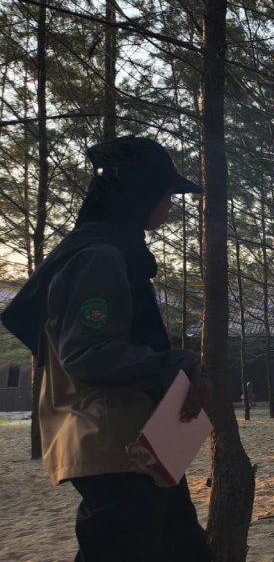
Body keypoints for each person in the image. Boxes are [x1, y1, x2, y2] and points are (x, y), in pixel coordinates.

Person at [1, 136, 213, 561]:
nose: (169, 205)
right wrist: (176, 363)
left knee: (183, 549)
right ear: (140, 194)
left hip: (141, 444)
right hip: (112, 445)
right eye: (166, 194)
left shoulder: (114, 250)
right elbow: (88, 354)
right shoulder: (98, 257)